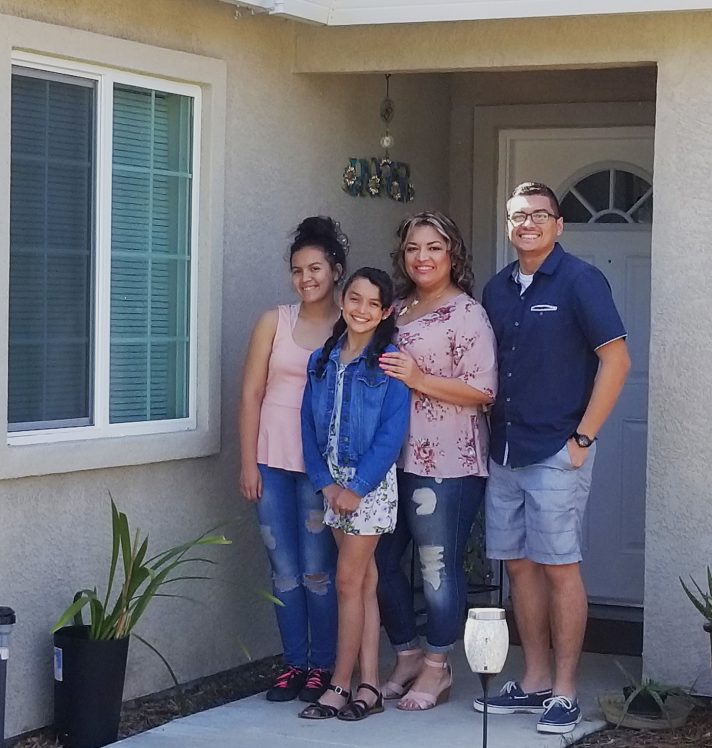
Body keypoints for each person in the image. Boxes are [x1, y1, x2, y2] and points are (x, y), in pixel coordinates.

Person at [475, 182, 631, 735]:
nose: (528, 224)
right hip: (505, 450)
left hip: (556, 450)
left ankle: (565, 691)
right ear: (509, 224)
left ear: (558, 225)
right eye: (518, 215)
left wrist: (583, 439)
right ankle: (536, 678)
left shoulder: (581, 281)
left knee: (560, 568)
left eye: (540, 215)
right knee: (519, 567)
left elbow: (616, 361)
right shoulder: (496, 290)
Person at [376, 211, 498, 712]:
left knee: (436, 566)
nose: (422, 257)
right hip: (389, 460)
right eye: (412, 248)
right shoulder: (397, 308)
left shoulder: (467, 313)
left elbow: (484, 390)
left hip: (447, 462)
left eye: (433, 247)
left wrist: (419, 378)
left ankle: (437, 667)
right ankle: (406, 654)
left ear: (453, 255)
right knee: (380, 561)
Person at [238, 216, 348, 703]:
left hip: (321, 470)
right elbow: (250, 393)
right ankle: (293, 665)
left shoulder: (351, 323)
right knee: (282, 568)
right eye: (298, 270)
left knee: (318, 571)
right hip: (270, 463)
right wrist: (246, 463)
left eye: (316, 268)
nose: (307, 278)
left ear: (336, 270)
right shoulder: (273, 322)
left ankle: (323, 665)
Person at [298, 268, 410, 721]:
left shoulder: (389, 361)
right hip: (333, 484)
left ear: (385, 312)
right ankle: (370, 685)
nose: (361, 310)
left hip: (369, 487)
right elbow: (307, 425)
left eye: (372, 303)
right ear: (343, 301)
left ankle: (339, 685)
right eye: (355, 299)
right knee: (362, 584)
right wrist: (324, 482)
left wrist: (357, 486)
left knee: (347, 582)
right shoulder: (322, 360)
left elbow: (392, 432)